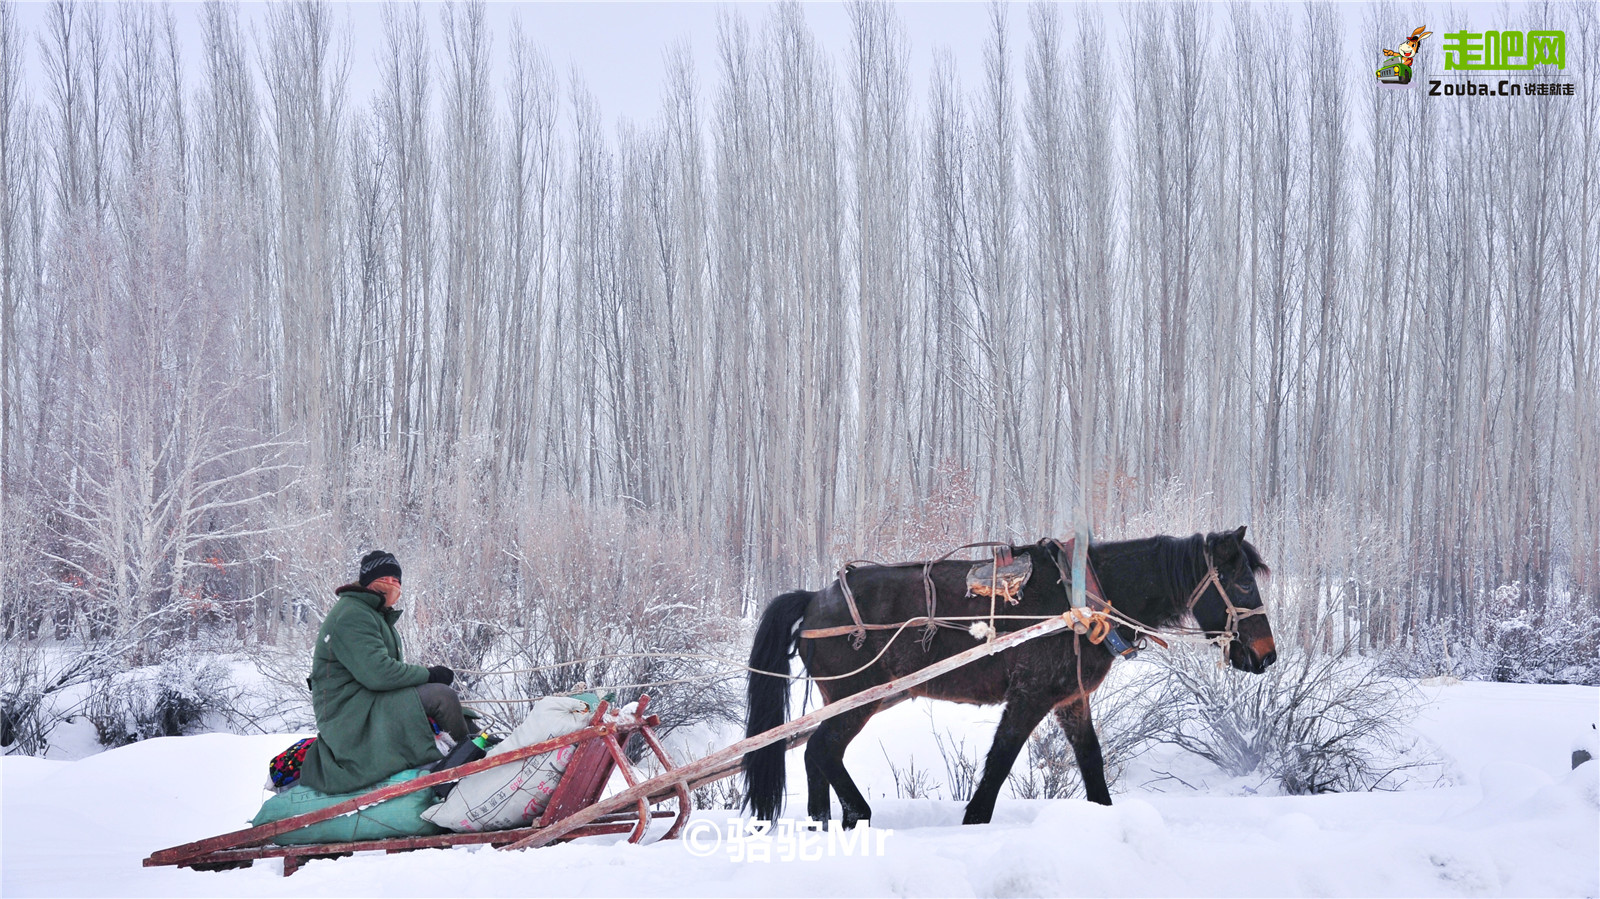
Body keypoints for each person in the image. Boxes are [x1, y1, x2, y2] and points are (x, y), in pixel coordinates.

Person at [298, 550, 469, 795]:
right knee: (442, 697)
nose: (393, 585)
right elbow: (379, 674)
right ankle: (469, 769)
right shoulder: (353, 614)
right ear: (368, 581)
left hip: (367, 703)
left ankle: (476, 755)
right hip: (350, 715)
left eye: (397, 580)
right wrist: (429, 675)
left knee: (463, 714)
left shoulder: (373, 615)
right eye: (385, 579)